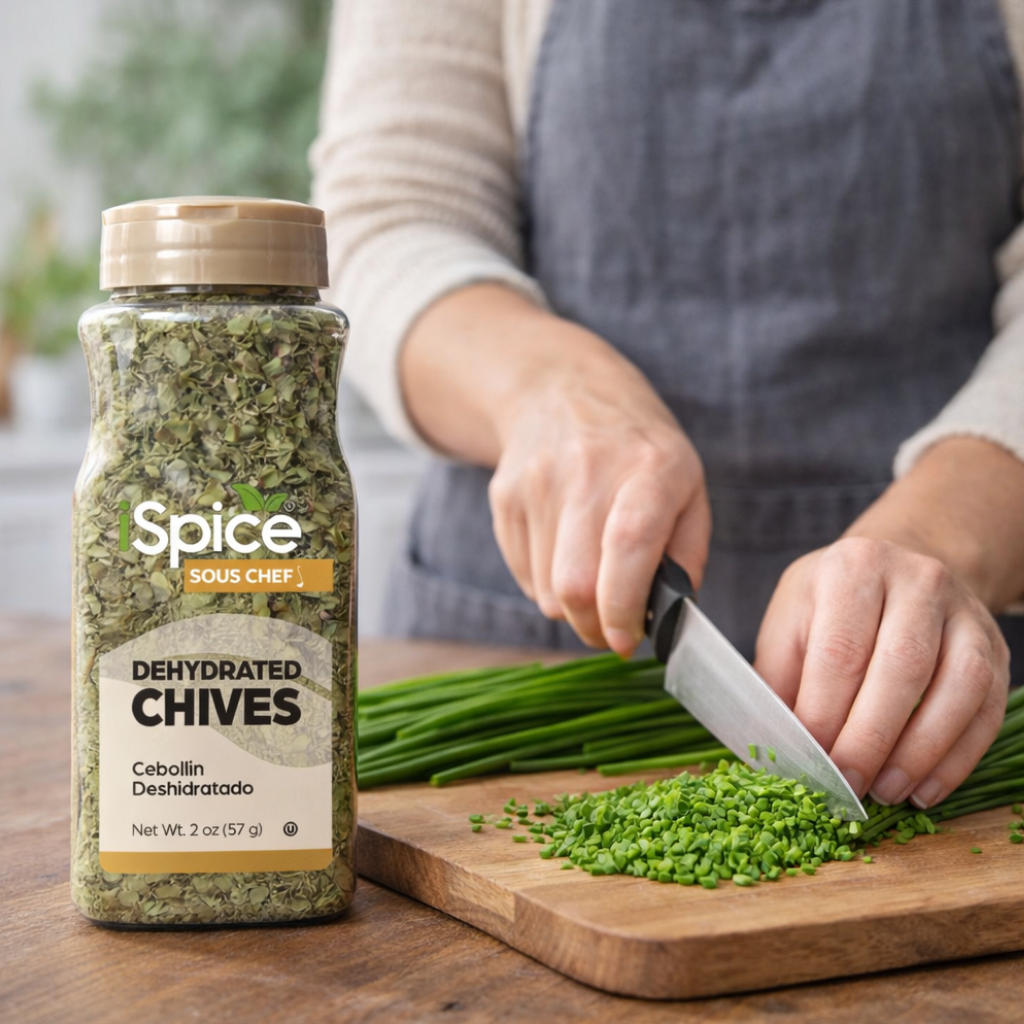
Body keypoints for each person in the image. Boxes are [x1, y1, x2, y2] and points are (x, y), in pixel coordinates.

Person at [311, 0, 1024, 812]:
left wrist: (943, 534)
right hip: (523, 636)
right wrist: (550, 388)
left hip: (951, 639)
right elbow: (390, 214)